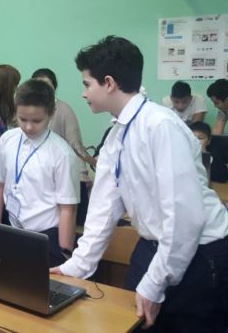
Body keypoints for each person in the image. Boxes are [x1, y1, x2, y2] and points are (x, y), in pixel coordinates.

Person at [52, 36, 228, 332]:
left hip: (200, 252)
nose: (83, 93)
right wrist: (78, 264)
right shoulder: (117, 133)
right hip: (153, 246)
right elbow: (104, 208)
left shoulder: (161, 126)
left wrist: (155, 283)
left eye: (86, 84)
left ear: (109, 83)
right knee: (132, 323)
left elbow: (184, 218)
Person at [0, 79, 80, 266]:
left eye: (37, 121)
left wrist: (65, 254)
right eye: (23, 119)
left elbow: (67, 208)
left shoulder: (62, 154)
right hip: (11, 228)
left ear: (51, 114)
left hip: (46, 236)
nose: (29, 127)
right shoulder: (7, 140)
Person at [31, 68, 94, 226]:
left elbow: (76, 145)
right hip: (42, 180)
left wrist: (87, 170)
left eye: (47, 86)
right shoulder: (30, 110)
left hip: (67, 179)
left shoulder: (63, 110)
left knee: (72, 227)